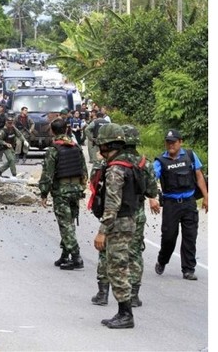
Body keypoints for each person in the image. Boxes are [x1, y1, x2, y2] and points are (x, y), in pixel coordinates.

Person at [90, 125, 161, 308]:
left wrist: (103, 229)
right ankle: (134, 295)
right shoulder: (143, 163)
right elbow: (152, 190)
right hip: (136, 212)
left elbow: (99, 187)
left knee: (110, 255)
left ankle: (104, 292)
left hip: (117, 216)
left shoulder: (112, 165)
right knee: (134, 253)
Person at [89, 123, 140, 329]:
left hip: (118, 223)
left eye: (101, 146)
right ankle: (123, 312)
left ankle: (125, 314)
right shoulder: (128, 163)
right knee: (119, 266)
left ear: (107, 145)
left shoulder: (115, 169)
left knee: (117, 268)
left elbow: (112, 204)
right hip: (127, 221)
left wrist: (102, 231)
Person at [153, 129, 208, 281]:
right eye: (168, 142)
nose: (170, 145)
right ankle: (162, 260)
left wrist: (206, 196)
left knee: (190, 236)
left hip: (189, 203)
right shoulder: (160, 161)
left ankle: (188, 269)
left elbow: (199, 176)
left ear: (180, 142)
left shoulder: (190, 156)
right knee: (169, 237)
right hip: (171, 204)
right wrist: (152, 197)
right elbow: (152, 179)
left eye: (174, 142)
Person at [39, 118, 88, 270]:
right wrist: (81, 187)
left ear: (53, 131)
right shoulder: (76, 147)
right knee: (69, 222)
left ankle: (76, 256)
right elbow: (84, 171)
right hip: (75, 190)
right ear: (67, 130)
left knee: (65, 224)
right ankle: (65, 255)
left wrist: (43, 193)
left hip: (61, 191)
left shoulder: (54, 150)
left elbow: (47, 174)